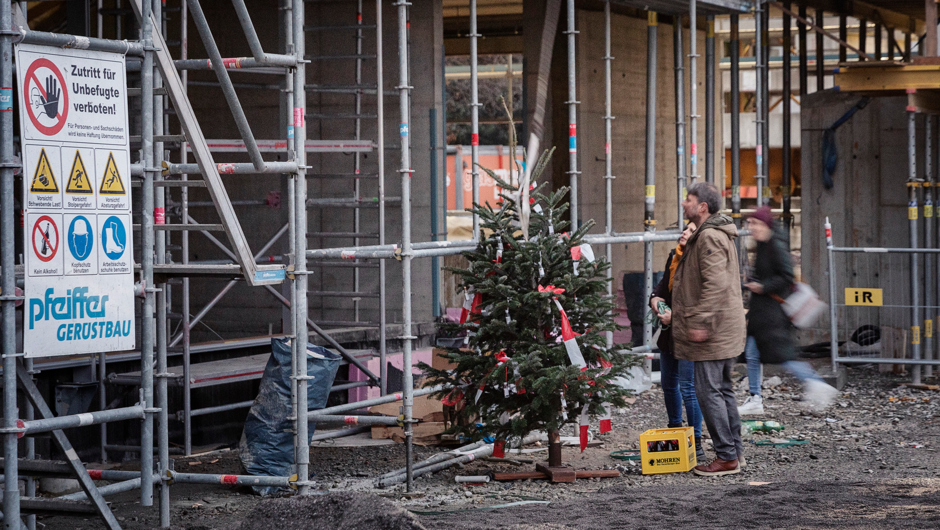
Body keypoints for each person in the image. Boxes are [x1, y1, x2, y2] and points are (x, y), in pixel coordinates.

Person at [672, 182, 747, 477]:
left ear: (703, 207)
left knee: (709, 392)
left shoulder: (709, 238)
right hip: (723, 327)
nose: (683, 203)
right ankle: (735, 454)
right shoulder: (711, 235)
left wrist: (701, 321)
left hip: (714, 330)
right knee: (723, 390)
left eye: (688, 200)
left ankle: (727, 457)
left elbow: (715, 284)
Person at [738, 206, 838, 416]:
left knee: (784, 356)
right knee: (753, 353)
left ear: (765, 225)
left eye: (755, 223)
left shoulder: (775, 246)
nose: (751, 227)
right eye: (750, 223)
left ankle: (816, 383)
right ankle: (755, 397)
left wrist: (762, 286)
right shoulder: (765, 244)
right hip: (763, 314)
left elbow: (786, 276)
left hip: (771, 316)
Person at [650, 222, 705, 463]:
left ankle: (697, 442)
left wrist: (677, 316)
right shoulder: (675, 256)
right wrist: (655, 300)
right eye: (685, 229)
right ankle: (675, 431)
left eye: (691, 231)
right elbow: (663, 287)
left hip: (689, 333)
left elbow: (702, 303)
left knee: (689, 388)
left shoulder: (701, 262)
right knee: (668, 385)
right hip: (668, 333)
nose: (684, 233)